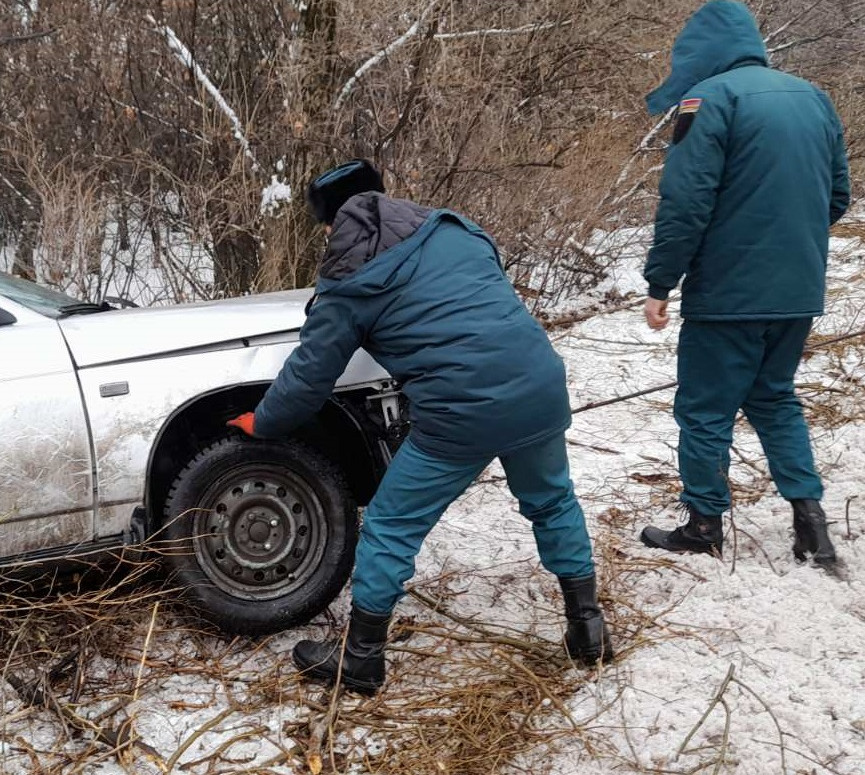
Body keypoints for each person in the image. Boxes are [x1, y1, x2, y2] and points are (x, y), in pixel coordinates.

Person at [226, 159, 612, 695]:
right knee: (550, 501)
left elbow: (310, 377)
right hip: (539, 382)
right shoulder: (451, 226)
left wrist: (263, 420)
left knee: (391, 523)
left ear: (331, 224)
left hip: (460, 414)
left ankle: (360, 659)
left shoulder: (347, 278)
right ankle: (588, 629)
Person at [637, 1, 850, 566]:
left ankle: (704, 524)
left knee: (705, 409)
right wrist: (790, 244)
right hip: (798, 289)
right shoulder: (813, 97)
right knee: (774, 398)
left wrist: (661, 282)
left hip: (728, 294)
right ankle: (811, 522)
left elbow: (686, 203)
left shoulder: (709, 100)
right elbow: (837, 197)